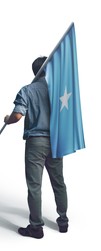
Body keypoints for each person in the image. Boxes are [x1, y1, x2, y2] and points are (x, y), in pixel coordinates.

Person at [4, 57, 68, 239]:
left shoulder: (27, 90)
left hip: (36, 142)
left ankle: (36, 228)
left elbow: (17, 115)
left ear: (35, 71)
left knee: (34, 186)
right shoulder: (60, 92)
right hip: (56, 141)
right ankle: (63, 222)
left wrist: (7, 119)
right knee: (58, 181)